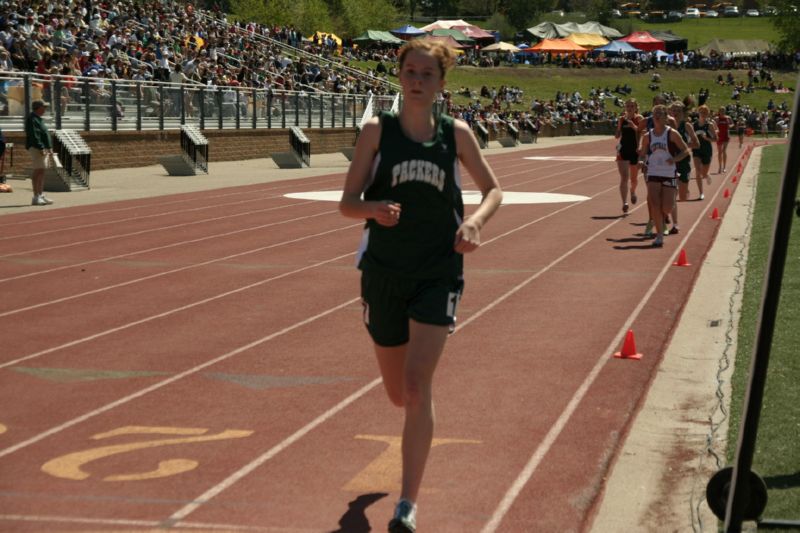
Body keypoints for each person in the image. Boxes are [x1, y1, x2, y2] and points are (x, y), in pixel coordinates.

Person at [339, 39, 503, 533]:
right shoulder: (376, 132)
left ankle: (407, 505)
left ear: (441, 83)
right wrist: (371, 209)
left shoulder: (455, 134)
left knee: (416, 386)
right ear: (399, 75)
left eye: (427, 74)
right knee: (396, 393)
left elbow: (494, 189)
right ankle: (368, 505)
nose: (416, 81)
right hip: (385, 273)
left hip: (438, 271)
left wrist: (475, 223)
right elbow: (347, 202)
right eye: (409, 71)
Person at [639, 104, 691, 247]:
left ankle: (664, 216)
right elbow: (642, 154)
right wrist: (641, 161)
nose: (657, 115)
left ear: (665, 118)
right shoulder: (647, 136)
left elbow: (686, 150)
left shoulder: (672, 133)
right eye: (655, 112)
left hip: (669, 172)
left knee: (667, 207)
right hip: (653, 172)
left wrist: (674, 159)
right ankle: (659, 235)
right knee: (654, 203)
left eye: (661, 113)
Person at [668, 102, 699, 233]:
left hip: (683, 161)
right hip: (669, 162)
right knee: (670, 194)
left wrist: (684, 146)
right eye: (673, 110)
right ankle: (673, 222)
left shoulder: (686, 126)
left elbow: (696, 144)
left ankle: (684, 190)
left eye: (678, 110)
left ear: (683, 112)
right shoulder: (666, 126)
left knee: (682, 197)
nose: (675, 112)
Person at [614, 98, 643, 214]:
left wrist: (634, 127)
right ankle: (624, 202)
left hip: (635, 151)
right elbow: (617, 135)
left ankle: (632, 191)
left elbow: (643, 132)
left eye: (632, 106)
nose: (630, 108)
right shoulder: (622, 119)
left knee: (634, 179)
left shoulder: (639, 118)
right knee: (624, 178)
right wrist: (617, 131)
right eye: (628, 106)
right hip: (623, 151)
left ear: (636, 108)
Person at [25, 100, 54, 206]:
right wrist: (41, 147)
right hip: (37, 148)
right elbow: (34, 135)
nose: (45, 109)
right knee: (38, 171)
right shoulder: (32, 119)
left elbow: (44, 134)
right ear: (38, 107)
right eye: (44, 107)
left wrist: (49, 147)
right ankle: (36, 196)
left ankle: (40, 195)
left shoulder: (38, 119)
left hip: (42, 148)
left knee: (41, 172)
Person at [691, 105, 717, 200]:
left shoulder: (709, 125)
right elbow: (690, 137)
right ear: (698, 113)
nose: (703, 114)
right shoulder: (694, 125)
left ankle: (706, 175)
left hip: (707, 150)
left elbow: (715, 139)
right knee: (697, 171)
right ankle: (701, 193)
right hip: (697, 150)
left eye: (705, 112)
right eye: (701, 112)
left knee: (703, 173)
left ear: (707, 114)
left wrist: (707, 138)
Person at [715, 106, 733, 174]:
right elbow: (713, 126)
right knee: (720, 152)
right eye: (721, 110)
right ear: (719, 111)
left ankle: (724, 167)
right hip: (719, 136)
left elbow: (732, 124)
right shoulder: (717, 119)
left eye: (723, 110)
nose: (722, 112)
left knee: (724, 151)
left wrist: (730, 126)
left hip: (726, 136)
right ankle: (720, 167)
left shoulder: (728, 118)